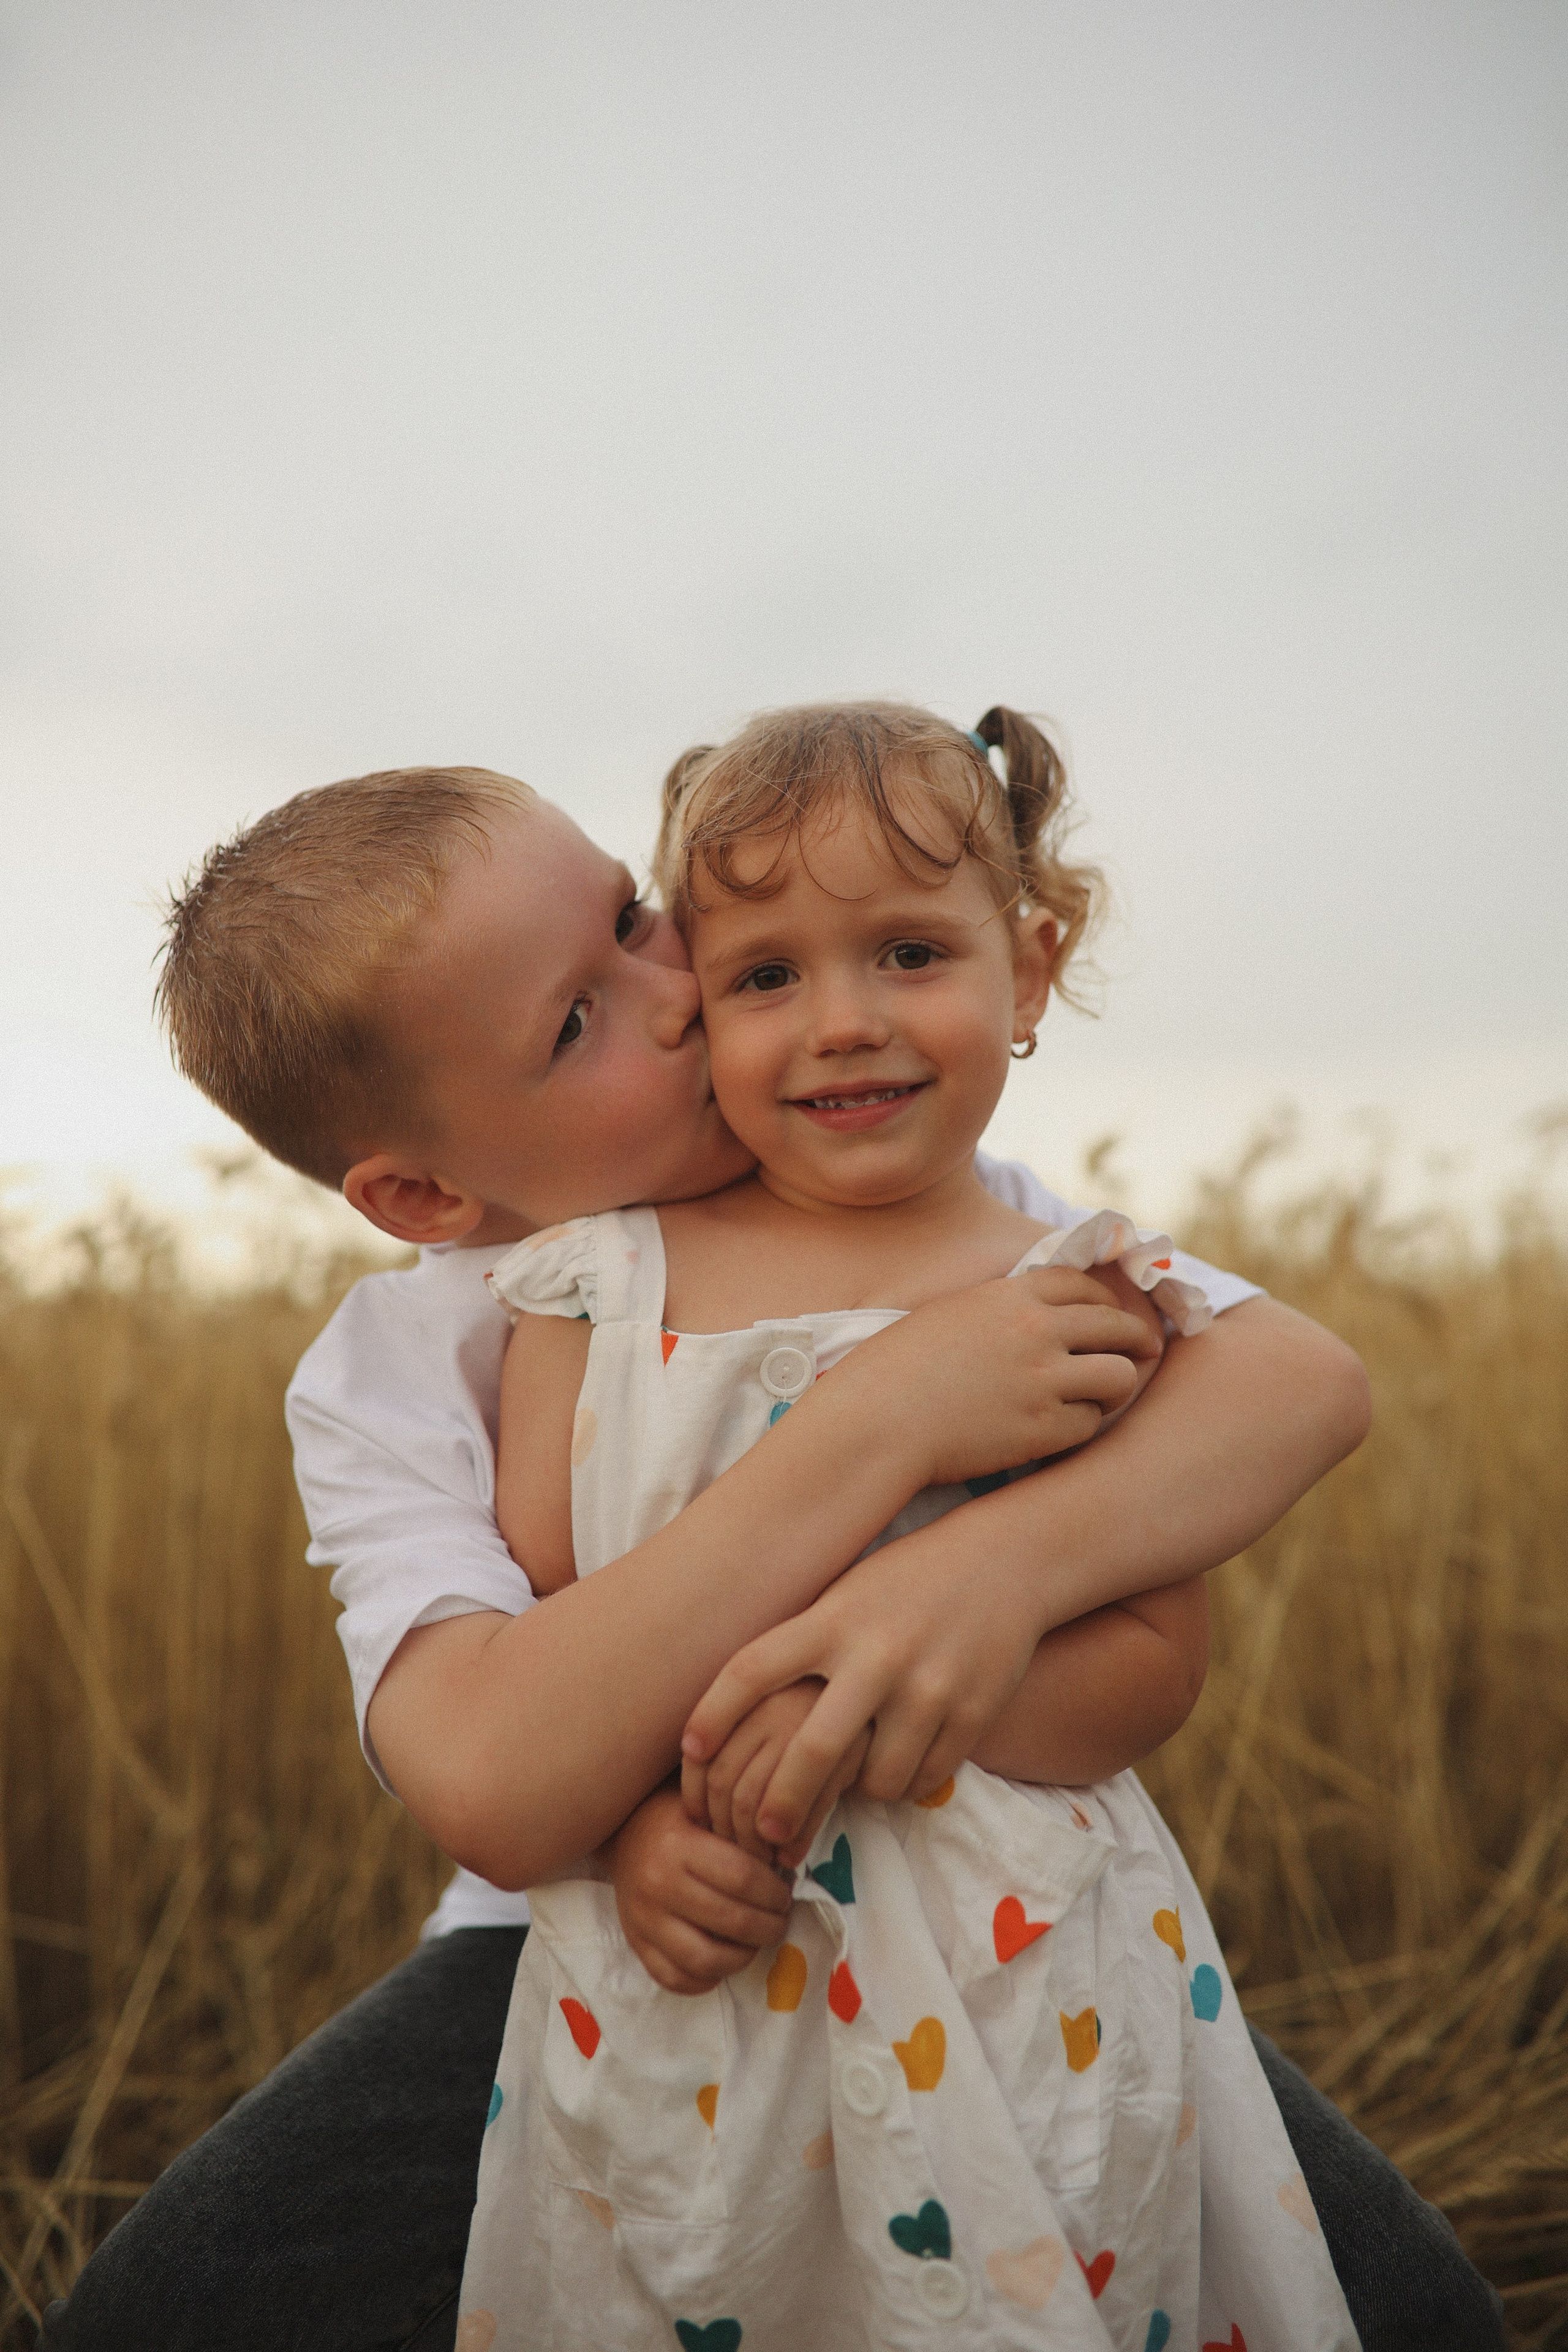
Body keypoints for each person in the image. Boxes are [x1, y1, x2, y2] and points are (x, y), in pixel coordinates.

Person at [40, 762, 1501, 2350]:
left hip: (1000, 1926)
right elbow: (493, 1772)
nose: (675, 992)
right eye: (575, 1022)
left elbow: (1296, 1383)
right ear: (424, 1192)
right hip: (608, 1950)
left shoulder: (933, 1201)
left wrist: (980, 1581)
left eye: (633, 917)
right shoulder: (395, 1368)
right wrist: (878, 1428)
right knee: (173, 2307)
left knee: (1400, 2308)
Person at [459, 701, 1357, 2350]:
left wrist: (895, 1696)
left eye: (910, 955)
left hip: (1026, 1989)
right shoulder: (601, 1288)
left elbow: (1152, 1663)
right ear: (696, 1010)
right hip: (700, 1973)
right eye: (768, 978)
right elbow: (552, 1634)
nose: (842, 1026)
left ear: (1033, 964)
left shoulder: (1074, 1295)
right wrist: (632, 1836)